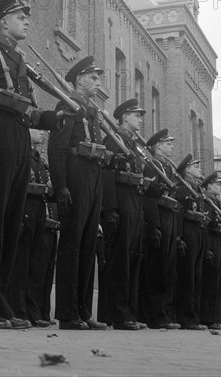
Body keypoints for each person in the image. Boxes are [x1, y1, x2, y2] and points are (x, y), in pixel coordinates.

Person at [0, 0, 64, 329]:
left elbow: (26, 109)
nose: (27, 20)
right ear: (3, 21)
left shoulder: (18, 61)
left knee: (9, 227)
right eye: (20, 15)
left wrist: (50, 118)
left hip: (19, 141)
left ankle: (1, 304)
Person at [48, 56, 108, 331]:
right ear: (79, 79)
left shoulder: (92, 111)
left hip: (92, 177)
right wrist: (61, 186)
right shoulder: (68, 106)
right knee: (72, 246)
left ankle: (83, 310)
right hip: (74, 177)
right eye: (93, 77)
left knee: (87, 245)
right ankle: (68, 312)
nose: (98, 82)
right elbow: (57, 149)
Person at [99, 99, 146, 331]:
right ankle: (117, 314)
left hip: (134, 200)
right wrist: (111, 208)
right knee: (120, 260)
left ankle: (129, 311)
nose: (140, 119)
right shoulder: (114, 139)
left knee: (133, 258)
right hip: (121, 200)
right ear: (125, 117)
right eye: (137, 115)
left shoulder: (133, 145)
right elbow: (106, 174)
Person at [140, 128, 182, 329]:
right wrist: (154, 225)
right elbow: (149, 198)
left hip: (170, 215)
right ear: (157, 146)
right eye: (168, 144)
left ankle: (165, 313)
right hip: (159, 215)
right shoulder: (152, 166)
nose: (172, 146)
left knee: (168, 268)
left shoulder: (168, 168)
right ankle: (156, 316)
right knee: (158, 268)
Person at [10, 129, 52, 327]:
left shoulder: (39, 159)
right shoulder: (23, 153)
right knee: (22, 261)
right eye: (40, 130)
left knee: (36, 262)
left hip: (39, 207)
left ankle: (32, 310)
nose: (44, 134)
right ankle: (19, 309)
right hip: (25, 204)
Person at [174, 154, 210, 330]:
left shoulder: (196, 189)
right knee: (187, 276)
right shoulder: (182, 189)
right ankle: (186, 318)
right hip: (187, 232)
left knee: (196, 276)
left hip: (198, 232)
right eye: (196, 167)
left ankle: (194, 317)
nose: (199, 170)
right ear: (187, 170)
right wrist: (179, 237)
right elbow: (179, 213)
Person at [200, 173, 221, 330]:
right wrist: (207, 248)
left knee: (217, 281)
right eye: (216, 184)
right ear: (208, 186)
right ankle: (207, 318)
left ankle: (215, 318)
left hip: (218, 240)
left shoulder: (217, 203)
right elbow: (205, 224)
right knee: (210, 281)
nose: (219, 187)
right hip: (209, 240)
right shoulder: (206, 202)